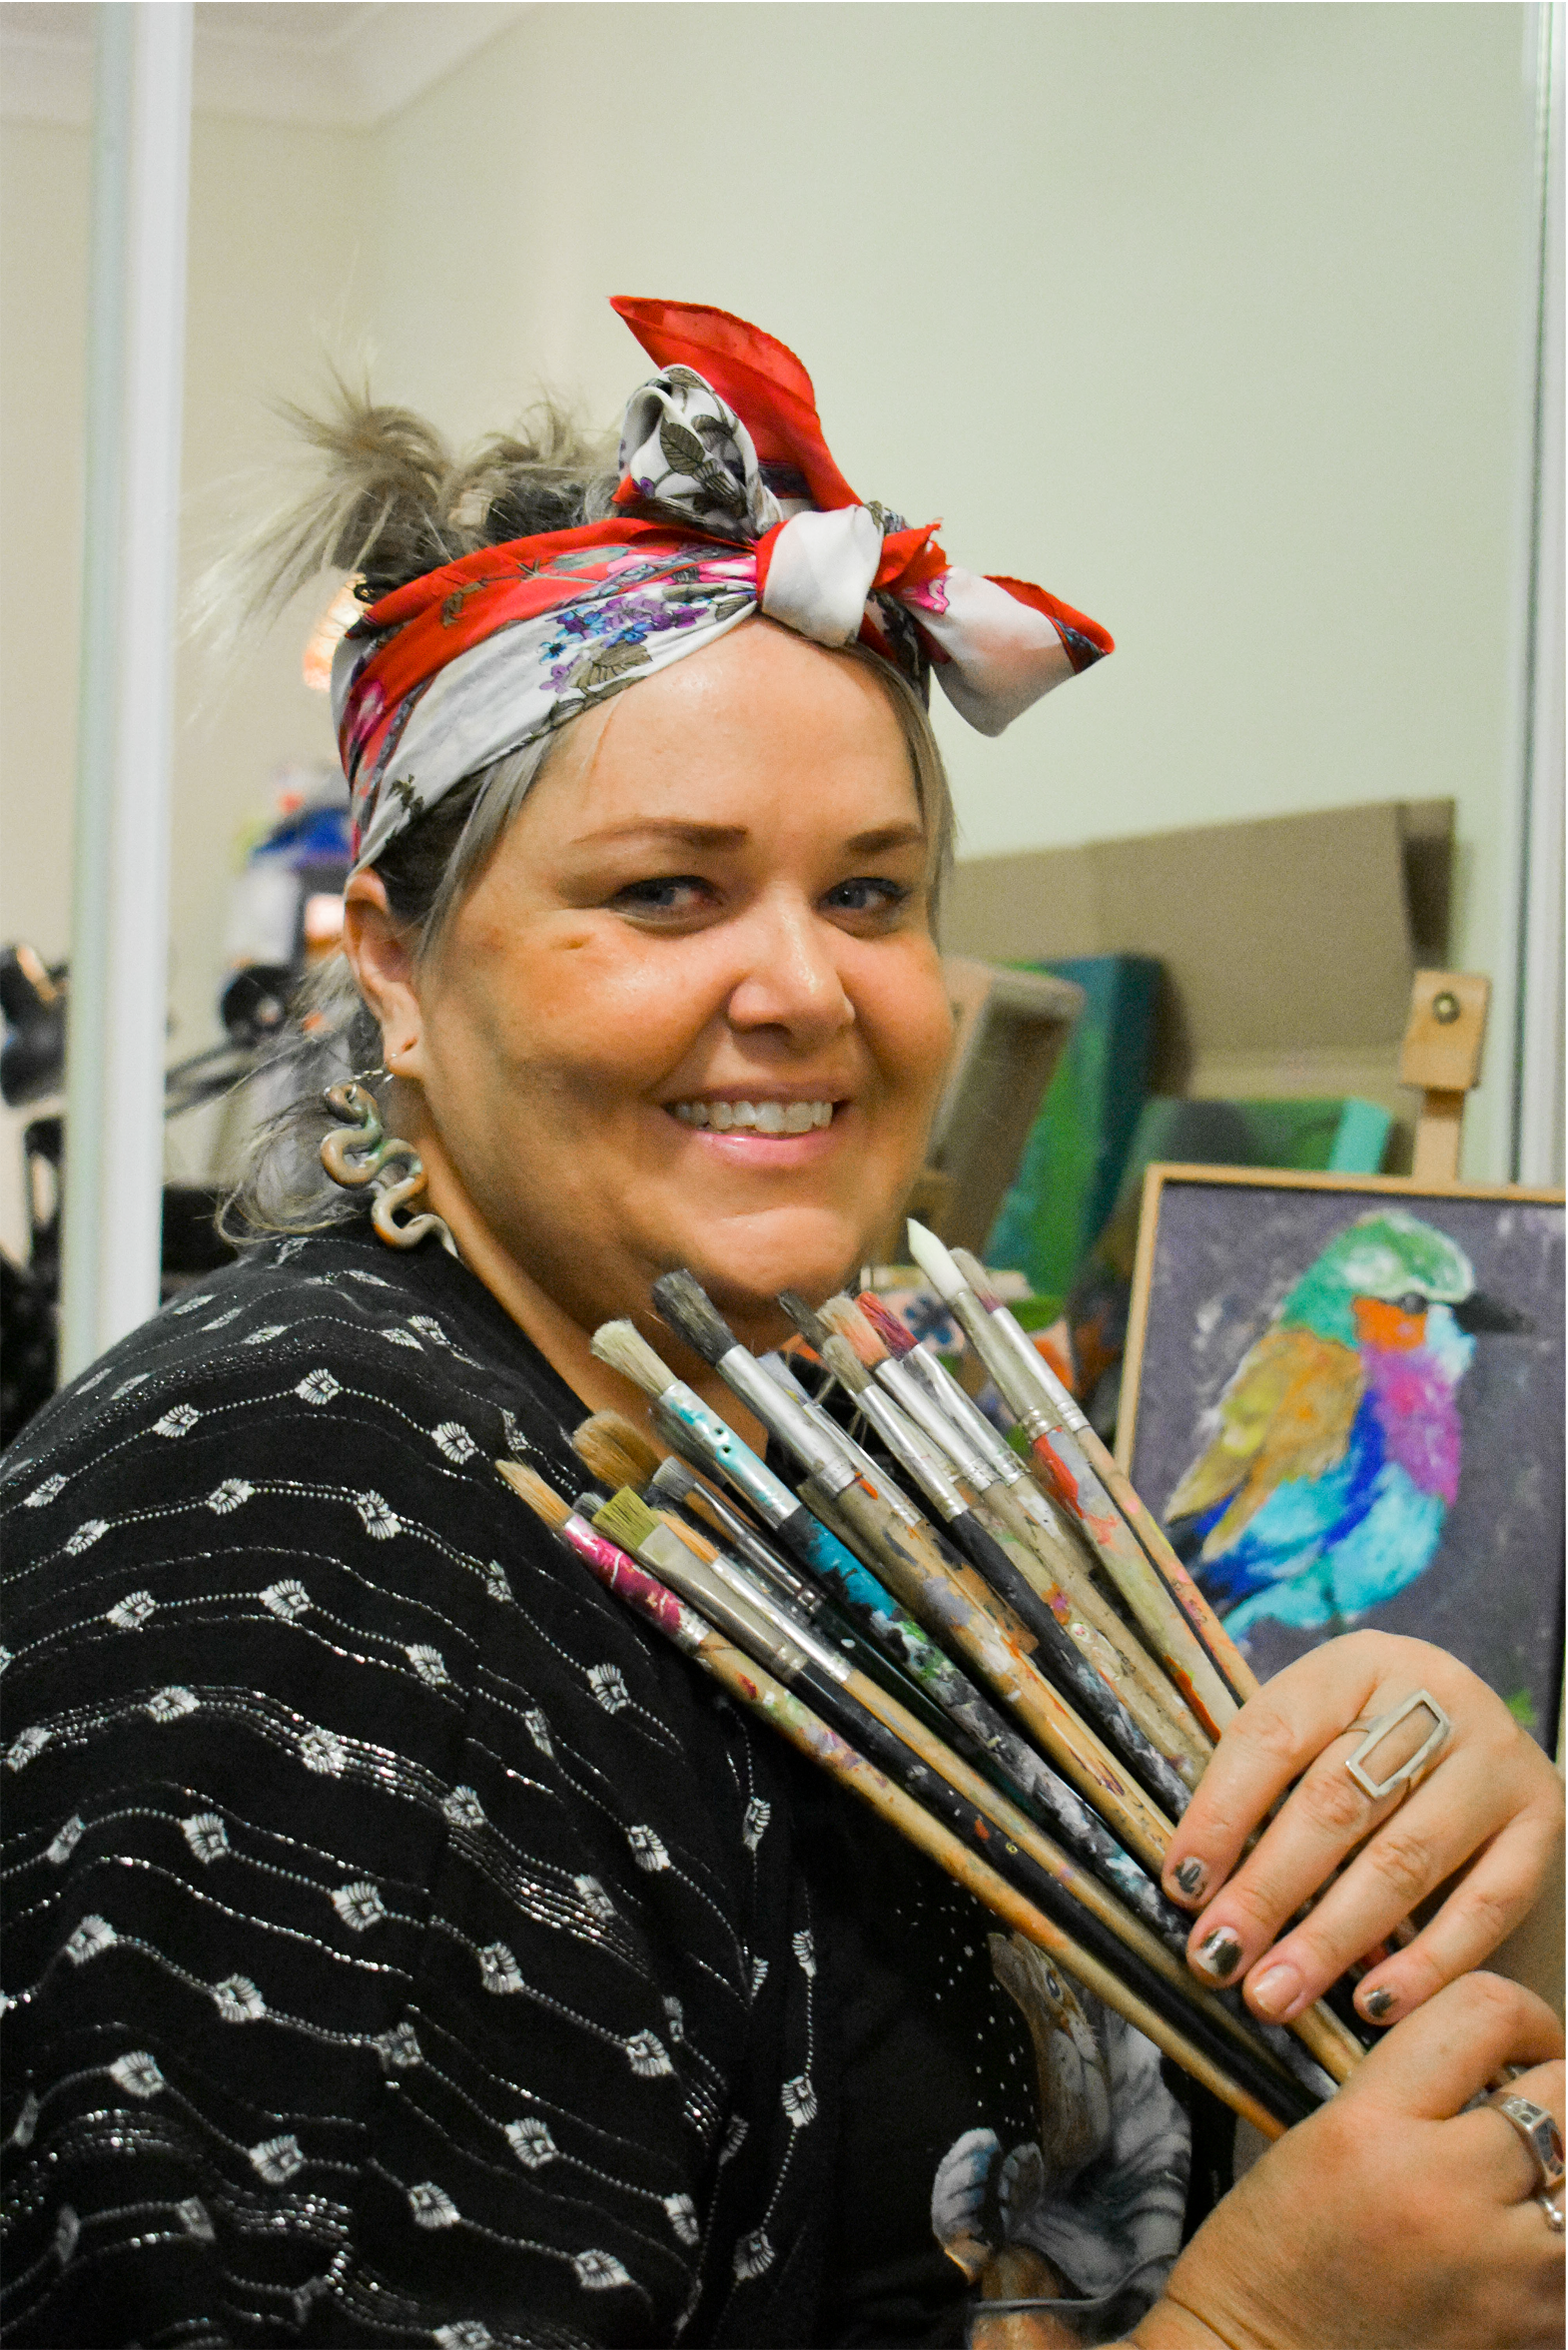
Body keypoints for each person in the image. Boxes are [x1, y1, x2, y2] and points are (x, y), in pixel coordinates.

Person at [0, 299, 1560, 2350]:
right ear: (393, 966)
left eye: (868, 895)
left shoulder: (791, 1435)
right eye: (666, 892)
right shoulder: (302, 1553)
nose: (804, 991)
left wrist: (1402, 1828)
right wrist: (1261, 2338)